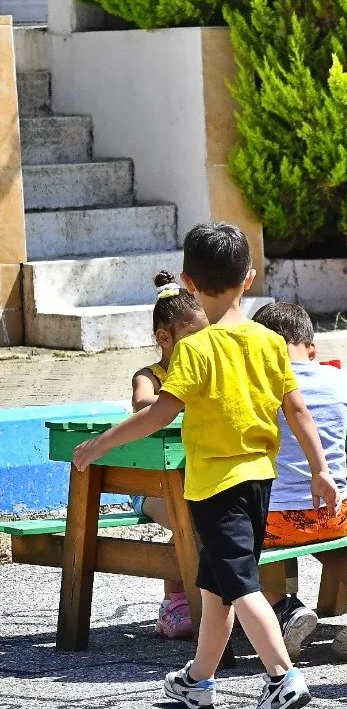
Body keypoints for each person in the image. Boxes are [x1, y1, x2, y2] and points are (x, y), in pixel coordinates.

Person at [71, 222, 334, 709]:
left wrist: (100, 446)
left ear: (189, 282)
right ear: (250, 278)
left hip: (216, 485)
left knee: (237, 581)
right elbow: (298, 410)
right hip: (260, 478)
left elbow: (157, 415)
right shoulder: (269, 341)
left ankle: (282, 676)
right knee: (216, 586)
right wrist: (321, 469)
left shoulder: (194, 349)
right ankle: (198, 681)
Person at [251, 303, 347, 664]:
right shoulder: (339, 380)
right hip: (336, 512)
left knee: (241, 535)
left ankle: (283, 607)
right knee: (324, 537)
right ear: (311, 349)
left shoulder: (257, 383)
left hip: (277, 517)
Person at [131, 271, 209, 638]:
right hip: (150, 486)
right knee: (187, 526)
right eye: (194, 339)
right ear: (165, 338)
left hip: (193, 477)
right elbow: (143, 402)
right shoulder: (152, 374)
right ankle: (175, 602)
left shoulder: (205, 371)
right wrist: (181, 399)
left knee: (205, 523)